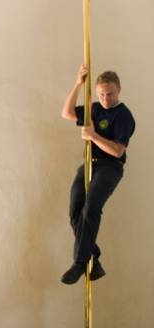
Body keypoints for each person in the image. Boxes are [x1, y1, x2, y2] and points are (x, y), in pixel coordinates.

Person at [60, 65, 135, 284]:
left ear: (118, 90)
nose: (105, 98)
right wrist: (78, 84)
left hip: (110, 167)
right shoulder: (94, 108)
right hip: (89, 164)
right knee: (75, 213)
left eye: (110, 93)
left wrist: (92, 136)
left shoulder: (123, 115)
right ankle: (94, 259)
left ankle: (80, 263)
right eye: (101, 94)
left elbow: (117, 150)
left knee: (91, 208)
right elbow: (66, 113)